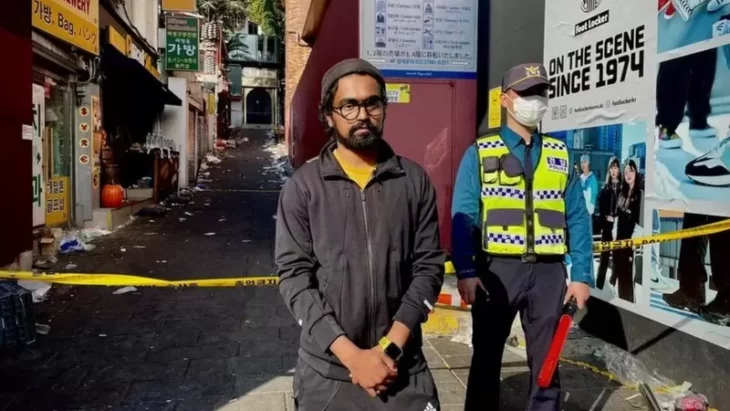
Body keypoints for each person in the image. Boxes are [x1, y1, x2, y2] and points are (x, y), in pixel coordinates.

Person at [275, 58, 445, 411]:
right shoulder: (303, 189)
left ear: (384, 108)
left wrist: (389, 349)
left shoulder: (413, 182)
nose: (362, 115)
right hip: (329, 376)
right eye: (349, 105)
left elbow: (428, 268)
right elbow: (295, 279)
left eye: (372, 103)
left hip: (403, 369)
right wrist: (352, 357)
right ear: (328, 115)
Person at [451, 63, 594, 411]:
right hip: (496, 272)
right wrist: (466, 272)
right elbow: (463, 216)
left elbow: (577, 217)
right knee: (486, 359)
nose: (537, 100)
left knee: (547, 362)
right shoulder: (480, 153)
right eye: (528, 93)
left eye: (542, 92)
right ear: (505, 99)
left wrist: (582, 276)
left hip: (548, 274)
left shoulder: (561, 156)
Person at [609, 160, 642, 302]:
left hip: (629, 246)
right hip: (618, 245)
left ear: (636, 172)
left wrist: (633, 241)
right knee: (619, 283)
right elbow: (616, 218)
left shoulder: (640, 194)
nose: (628, 174)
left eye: (631, 171)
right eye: (626, 171)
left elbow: (641, 222)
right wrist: (615, 237)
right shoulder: (622, 193)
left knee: (628, 283)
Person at [596, 156, 621, 290]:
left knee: (618, 259)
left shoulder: (623, 188)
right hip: (607, 229)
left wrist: (616, 218)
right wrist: (607, 218)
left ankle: (612, 283)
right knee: (604, 259)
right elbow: (601, 211)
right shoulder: (605, 189)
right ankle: (599, 287)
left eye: (616, 167)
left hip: (619, 229)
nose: (614, 170)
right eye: (612, 167)